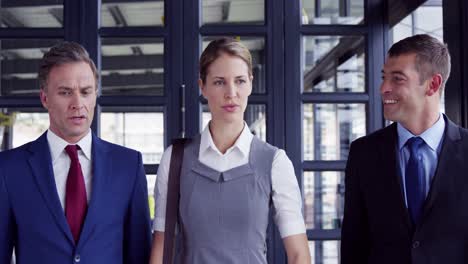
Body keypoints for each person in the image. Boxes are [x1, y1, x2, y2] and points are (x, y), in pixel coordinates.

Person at [149, 37, 310, 264]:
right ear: (202, 86)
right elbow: (161, 246)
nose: (231, 92)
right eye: (219, 82)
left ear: (251, 84)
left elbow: (299, 255)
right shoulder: (175, 159)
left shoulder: (274, 162)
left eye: (240, 81)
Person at [0, 41, 152, 263]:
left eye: (85, 92)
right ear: (45, 98)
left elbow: (138, 254)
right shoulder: (9, 168)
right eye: (65, 92)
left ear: (95, 95)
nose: (77, 103)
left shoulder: (128, 165)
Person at [341, 34, 468, 264]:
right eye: (384, 78)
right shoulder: (364, 153)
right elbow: (354, 244)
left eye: (397, 79)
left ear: (433, 84)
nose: (383, 88)